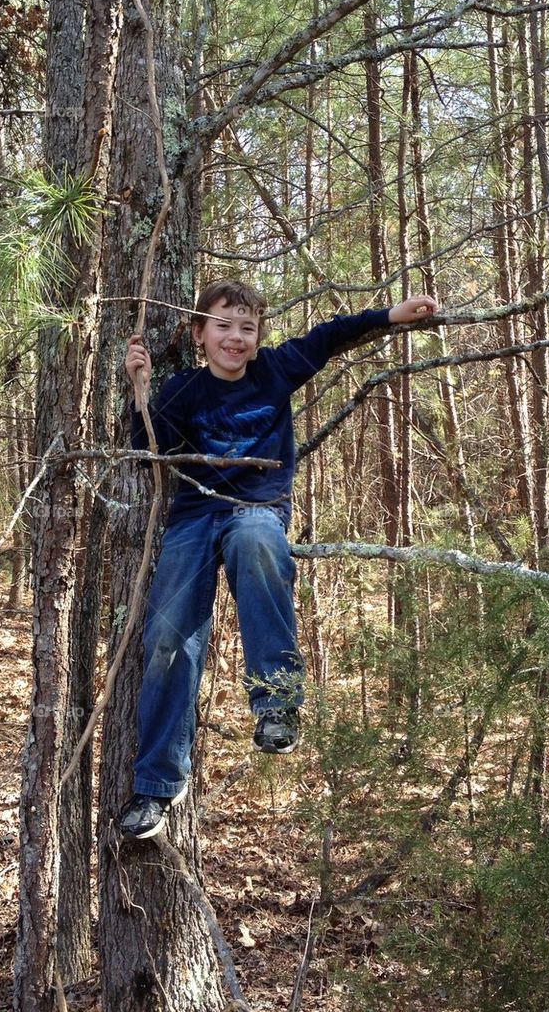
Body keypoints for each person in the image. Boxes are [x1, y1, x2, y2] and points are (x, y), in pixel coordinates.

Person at [118, 278, 439, 839]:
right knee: (168, 639)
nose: (236, 338)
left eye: (247, 327)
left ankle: (277, 704)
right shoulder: (183, 390)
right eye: (223, 325)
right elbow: (147, 450)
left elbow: (332, 336)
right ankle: (156, 787)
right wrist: (143, 391)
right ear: (199, 333)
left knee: (255, 543)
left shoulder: (275, 370)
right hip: (194, 518)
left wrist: (392, 315)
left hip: (257, 509)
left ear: (258, 335)